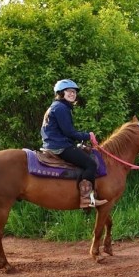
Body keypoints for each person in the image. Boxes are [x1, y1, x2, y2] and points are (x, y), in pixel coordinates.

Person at [41, 79, 108, 209]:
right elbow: (69, 132)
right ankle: (85, 199)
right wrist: (88, 135)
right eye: (69, 91)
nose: (73, 94)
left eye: (74, 92)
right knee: (90, 164)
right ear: (61, 93)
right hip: (59, 146)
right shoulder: (61, 108)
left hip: (54, 143)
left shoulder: (56, 106)